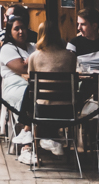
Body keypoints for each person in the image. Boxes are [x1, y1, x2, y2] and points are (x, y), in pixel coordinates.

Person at [27, 20, 77, 157]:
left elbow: (31, 78)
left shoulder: (34, 57)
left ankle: (28, 132)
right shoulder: (70, 56)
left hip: (44, 110)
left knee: (31, 90)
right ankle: (53, 138)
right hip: (67, 110)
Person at [0, 14, 37, 163]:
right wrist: (33, 61)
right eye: (17, 29)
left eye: (23, 28)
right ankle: (26, 148)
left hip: (32, 85)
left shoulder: (32, 47)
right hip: (14, 86)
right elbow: (21, 68)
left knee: (44, 96)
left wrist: (30, 61)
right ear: (10, 32)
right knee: (27, 97)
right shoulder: (7, 48)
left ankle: (47, 136)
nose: (21, 31)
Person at [67, 8, 99, 73]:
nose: (78, 28)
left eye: (83, 24)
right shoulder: (73, 44)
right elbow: (68, 68)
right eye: (78, 24)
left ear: (94, 26)